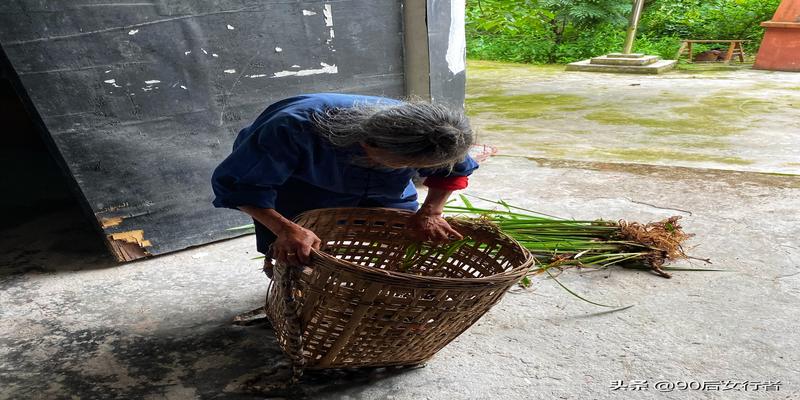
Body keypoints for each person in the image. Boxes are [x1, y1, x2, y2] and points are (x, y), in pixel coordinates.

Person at [211, 93, 478, 271]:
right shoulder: (291, 129)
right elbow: (239, 185)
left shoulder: (438, 135)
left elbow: (455, 171)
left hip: (385, 187)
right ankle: (289, 287)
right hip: (300, 184)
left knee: (405, 236)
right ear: (367, 143)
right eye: (397, 163)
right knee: (297, 249)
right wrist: (284, 228)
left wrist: (431, 211)